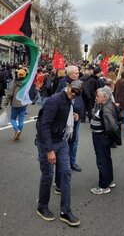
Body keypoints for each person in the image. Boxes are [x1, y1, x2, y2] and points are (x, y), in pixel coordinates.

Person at [36, 80, 82, 226]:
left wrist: (73, 117)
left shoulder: (70, 101)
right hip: (46, 143)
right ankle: (42, 206)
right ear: (68, 86)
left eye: (77, 93)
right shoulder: (54, 100)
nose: (73, 93)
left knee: (66, 173)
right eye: (72, 90)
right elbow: (44, 125)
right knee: (48, 175)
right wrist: (49, 150)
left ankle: (65, 211)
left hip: (61, 142)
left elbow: (61, 117)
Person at [90, 87, 118, 195]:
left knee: (102, 161)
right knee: (106, 159)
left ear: (105, 97)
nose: (96, 98)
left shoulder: (106, 108)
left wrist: (107, 136)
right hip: (102, 137)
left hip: (101, 137)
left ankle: (103, 186)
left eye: (98, 96)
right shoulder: (106, 105)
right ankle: (109, 180)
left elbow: (111, 126)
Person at [56, 65, 83, 172]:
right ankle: (64, 162)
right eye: (76, 73)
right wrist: (68, 113)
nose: (78, 74)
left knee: (75, 140)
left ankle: (72, 162)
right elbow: (58, 99)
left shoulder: (79, 82)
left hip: (78, 116)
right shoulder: (63, 83)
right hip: (67, 117)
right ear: (70, 73)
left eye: (78, 73)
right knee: (66, 140)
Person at [4, 69, 28, 141]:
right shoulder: (26, 83)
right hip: (23, 104)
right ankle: (18, 133)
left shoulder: (14, 82)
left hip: (15, 103)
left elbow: (10, 93)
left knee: (12, 119)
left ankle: (17, 130)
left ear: (18, 74)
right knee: (21, 119)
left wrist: (6, 103)